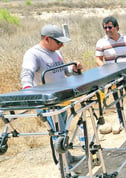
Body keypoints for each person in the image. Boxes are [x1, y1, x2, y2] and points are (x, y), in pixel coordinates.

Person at [20, 24, 83, 165]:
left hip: (61, 98)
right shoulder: (33, 54)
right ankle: (64, 166)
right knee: (57, 135)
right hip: (48, 102)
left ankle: (68, 158)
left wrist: (73, 68)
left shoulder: (56, 52)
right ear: (47, 39)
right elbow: (27, 74)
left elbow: (63, 71)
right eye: (59, 42)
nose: (61, 45)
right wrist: (29, 92)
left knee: (63, 132)